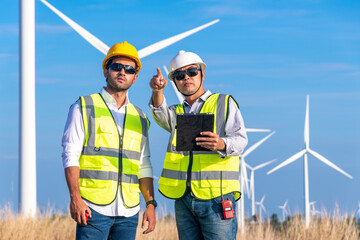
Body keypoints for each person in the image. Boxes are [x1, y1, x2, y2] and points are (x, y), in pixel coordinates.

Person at [62, 41, 157, 240]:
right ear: (106, 71)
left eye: (129, 69)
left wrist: (150, 204)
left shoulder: (140, 118)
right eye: (116, 67)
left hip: (129, 211)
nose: (122, 72)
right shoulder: (84, 107)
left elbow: (144, 165)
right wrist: (75, 198)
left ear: (135, 77)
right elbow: (70, 155)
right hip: (92, 208)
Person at [149, 50, 248, 240]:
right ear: (175, 82)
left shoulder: (224, 103)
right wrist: (157, 91)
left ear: (202, 73)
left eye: (192, 72)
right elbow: (159, 114)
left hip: (217, 199)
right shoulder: (177, 112)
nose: (186, 78)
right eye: (179, 75)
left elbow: (241, 140)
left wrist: (221, 143)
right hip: (184, 198)